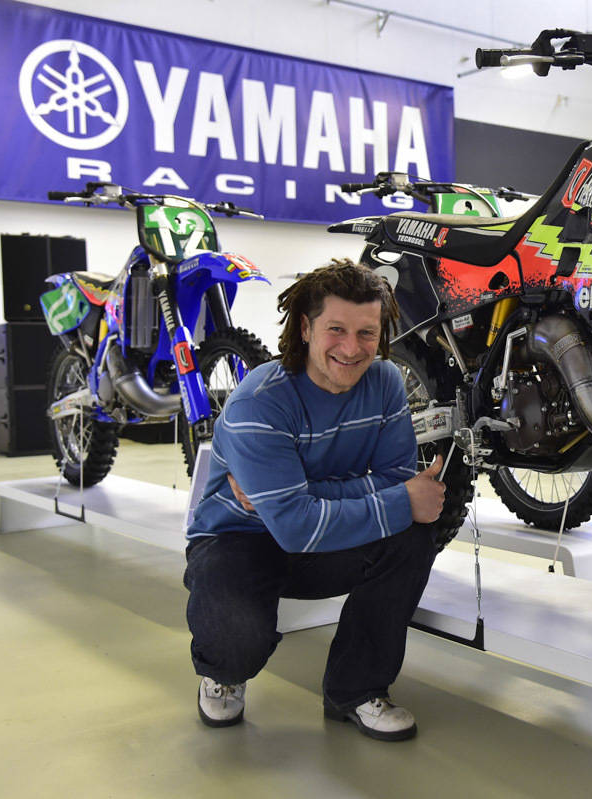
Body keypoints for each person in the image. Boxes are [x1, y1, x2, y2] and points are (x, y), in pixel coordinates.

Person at [183, 258, 445, 742]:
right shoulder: (260, 401)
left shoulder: (386, 383)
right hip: (239, 537)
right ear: (306, 328)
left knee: (411, 536)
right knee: (236, 641)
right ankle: (223, 673)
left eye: (367, 333)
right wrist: (383, 497)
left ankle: (356, 689)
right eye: (336, 330)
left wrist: (296, 495)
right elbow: (298, 525)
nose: (352, 348)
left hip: (316, 534)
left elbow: (394, 479)